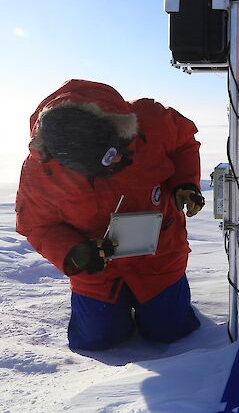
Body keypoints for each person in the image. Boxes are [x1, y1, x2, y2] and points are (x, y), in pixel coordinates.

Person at [15, 79, 205, 351]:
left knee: (170, 332)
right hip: (98, 270)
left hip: (158, 256)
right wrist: (73, 253)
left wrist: (185, 183)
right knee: (98, 340)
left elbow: (184, 142)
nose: (116, 162)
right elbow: (37, 224)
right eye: (103, 161)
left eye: (114, 153)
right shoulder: (40, 171)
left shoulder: (151, 122)